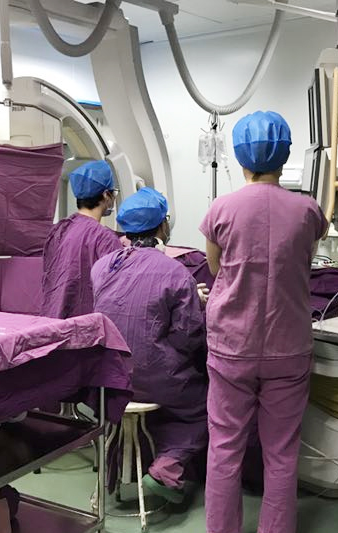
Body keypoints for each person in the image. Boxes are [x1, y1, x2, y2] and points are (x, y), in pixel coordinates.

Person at [200, 111, 328, 533]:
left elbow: (215, 268)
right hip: (288, 346)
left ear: (240, 157)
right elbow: (307, 257)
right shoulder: (307, 210)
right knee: (282, 452)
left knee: (224, 448)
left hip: (231, 346)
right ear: (285, 156)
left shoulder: (222, 209)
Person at [92, 187, 208, 504]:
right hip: (155, 378)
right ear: (162, 225)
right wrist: (194, 301)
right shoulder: (176, 272)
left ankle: (135, 467)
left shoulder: (102, 267)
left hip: (111, 379)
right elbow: (188, 337)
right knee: (208, 406)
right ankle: (167, 467)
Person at [41, 160, 123, 318]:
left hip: (52, 319)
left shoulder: (59, 230)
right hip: (85, 324)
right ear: (106, 195)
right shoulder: (105, 239)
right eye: (113, 193)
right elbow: (116, 292)